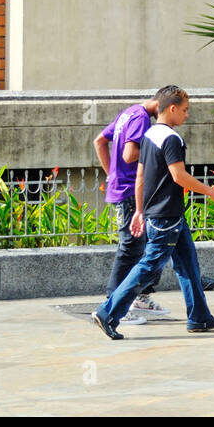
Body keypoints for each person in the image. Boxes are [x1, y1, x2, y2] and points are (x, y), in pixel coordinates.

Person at [91, 86, 214, 340]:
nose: (188, 116)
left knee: (188, 264)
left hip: (163, 214)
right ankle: (107, 313)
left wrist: (140, 211)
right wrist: (212, 192)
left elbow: (141, 177)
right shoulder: (171, 138)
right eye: (186, 110)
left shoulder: (150, 135)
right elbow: (179, 176)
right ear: (173, 108)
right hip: (167, 216)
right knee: (148, 266)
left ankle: (199, 317)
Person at [93, 98, 169, 324]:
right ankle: (113, 305)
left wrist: (111, 174)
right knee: (130, 248)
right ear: (163, 105)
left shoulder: (128, 113)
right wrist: (158, 148)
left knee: (144, 246)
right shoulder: (141, 118)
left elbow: (99, 141)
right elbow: (129, 154)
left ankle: (140, 297)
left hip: (124, 188)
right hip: (128, 192)